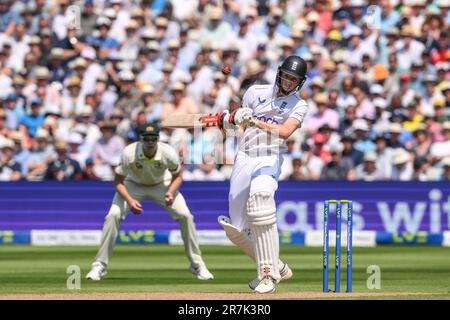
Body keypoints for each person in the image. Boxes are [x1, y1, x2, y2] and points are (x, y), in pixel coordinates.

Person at [216, 55, 309, 293]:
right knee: (237, 230)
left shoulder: (299, 105)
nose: (288, 82)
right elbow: (240, 126)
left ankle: (268, 274)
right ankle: (277, 265)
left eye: (294, 80)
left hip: (270, 155)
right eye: (286, 76)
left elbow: (285, 132)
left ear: (300, 82)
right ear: (279, 74)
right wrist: (231, 120)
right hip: (245, 155)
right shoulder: (255, 92)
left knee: (261, 199)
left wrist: (256, 122)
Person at [86, 123, 213, 281]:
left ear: (158, 139)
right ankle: (99, 266)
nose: (150, 142)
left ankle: (197, 265)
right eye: (147, 138)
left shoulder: (168, 152)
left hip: (162, 185)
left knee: (186, 216)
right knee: (113, 215)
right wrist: (130, 201)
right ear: (141, 139)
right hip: (133, 185)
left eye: (153, 138)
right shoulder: (129, 153)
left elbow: (178, 176)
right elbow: (118, 181)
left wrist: (170, 192)